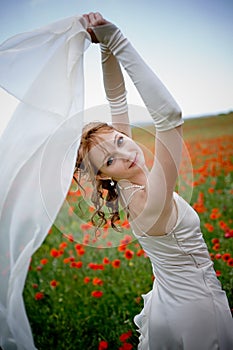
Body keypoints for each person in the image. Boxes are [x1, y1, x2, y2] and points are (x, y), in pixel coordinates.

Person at [74, 12, 233, 350]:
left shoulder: (127, 187)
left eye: (119, 139)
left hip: (169, 302)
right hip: (198, 313)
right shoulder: (149, 201)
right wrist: (117, 39)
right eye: (111, 159)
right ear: (103, 174)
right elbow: (170, 117)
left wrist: (105, 50)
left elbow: (117, 100)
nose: (126, 151)